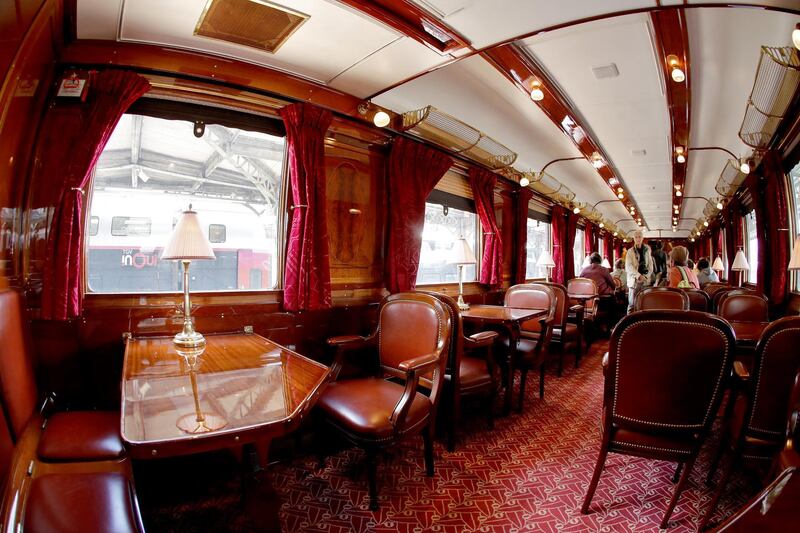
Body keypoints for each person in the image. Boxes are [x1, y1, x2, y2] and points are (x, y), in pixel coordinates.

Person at [625, 230, 654, 313]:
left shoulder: (647, 251)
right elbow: (628, 267)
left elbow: (650, 266)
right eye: (636, 237)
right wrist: (638, 275)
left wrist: (645, 276)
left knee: (644, 304)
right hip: (634, 281)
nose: (638, 239)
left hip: (645, 281)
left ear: (642, 238)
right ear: (634, 239)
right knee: (632, 304)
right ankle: (629, 323)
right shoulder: (630, 251)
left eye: (639, 237)